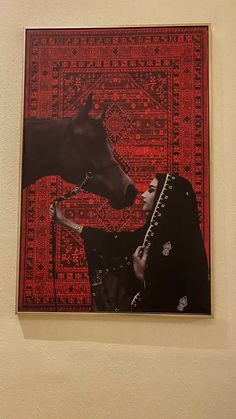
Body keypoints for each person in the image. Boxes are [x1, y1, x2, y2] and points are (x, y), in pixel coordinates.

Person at [49, 173, 211, 314]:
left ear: (166, 198)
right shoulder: (147, 235)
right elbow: (114, 243)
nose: (143, 195)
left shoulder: (182, 247)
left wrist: (142, 276)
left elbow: (175, 295)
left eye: (151, 190)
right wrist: (66, 222)